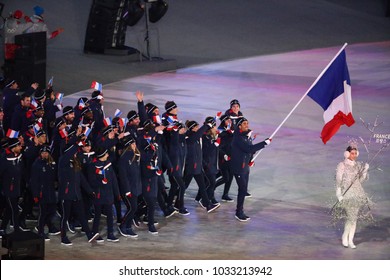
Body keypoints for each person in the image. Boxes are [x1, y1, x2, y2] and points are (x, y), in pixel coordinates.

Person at [231, 117, 271, 222]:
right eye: (244, 124)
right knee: (242, 189)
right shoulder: (238, 138)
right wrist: (264, 143)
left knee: (244, 189)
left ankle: (240, 210)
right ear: (239, 126)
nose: (247, 125)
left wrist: (250, 160)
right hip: (238, 168)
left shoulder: (247, 136)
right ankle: (239, 212)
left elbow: (249, 151)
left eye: (247, 123)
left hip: (245, 167)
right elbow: (248, 148)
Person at [334, 144, 371, 249]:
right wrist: (338, 193)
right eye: (352, 153)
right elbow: (338, 180)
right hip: (347, 194)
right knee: (351, 217)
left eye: (355, 153)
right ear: (347, 153)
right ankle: (346, 237)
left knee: (353, 218)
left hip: (357, 194)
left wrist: (364, 171)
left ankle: (349, 239)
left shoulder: (358, 165)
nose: (354, 155)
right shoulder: (342, 165)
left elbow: (360, 181)